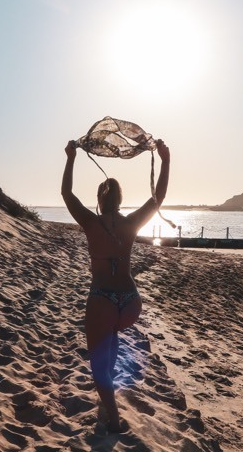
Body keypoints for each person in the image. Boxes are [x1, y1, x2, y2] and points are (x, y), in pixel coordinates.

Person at [61, 139, 170, 432]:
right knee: (111, 340)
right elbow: (158, 197)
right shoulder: (132, 222)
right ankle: (109, 396)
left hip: (103, 300)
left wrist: (71, 158)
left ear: (100, 199)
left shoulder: (90, 222)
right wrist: (166, 159)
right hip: (131, 303)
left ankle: (114, 418)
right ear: (120, 200)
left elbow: (66, 193)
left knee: (98, 364)